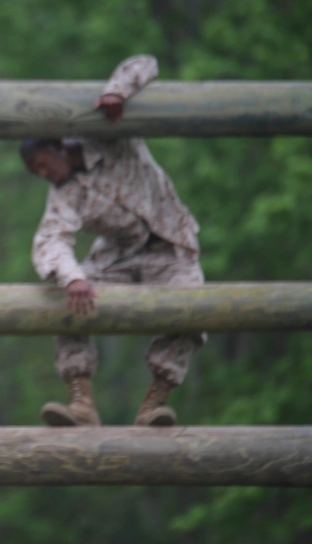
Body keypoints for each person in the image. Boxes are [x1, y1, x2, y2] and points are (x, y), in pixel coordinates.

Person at [20, 54, 204, 427]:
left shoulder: (108, 136)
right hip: (116, 256)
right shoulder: (64, 191)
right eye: (36, 172)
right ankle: (81, 402)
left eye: (42, 164)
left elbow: (146, 63)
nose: (44, 175)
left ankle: (154, 404)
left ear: (57, 145)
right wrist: (72, 276)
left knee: (194, 311)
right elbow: (50, 239)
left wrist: (116, 93)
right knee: (65, 304)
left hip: (170, 245)